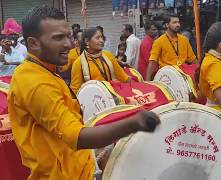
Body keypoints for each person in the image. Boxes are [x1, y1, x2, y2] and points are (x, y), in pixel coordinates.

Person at [8, 6, 160, 179]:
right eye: (58, 38)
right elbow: (79, 137)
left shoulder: (47, 69)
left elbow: (124, 82)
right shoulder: (35, 83)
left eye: (68, 36)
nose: (69, 44)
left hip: (81, 167)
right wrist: (134, 123)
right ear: (33, 43)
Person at [70, 27, 130, 94]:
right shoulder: (78, 63)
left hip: (114, 97)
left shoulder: (108, 56)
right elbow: (75, 91)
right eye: (97, 38)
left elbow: (123, 77)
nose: (102, 40)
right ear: (87, 41)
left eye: (102, 37)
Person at [146, 14, 196, 81]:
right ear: (167, 25)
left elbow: (193, 59)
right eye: (174, 22)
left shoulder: (184, 40)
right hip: (167, 77)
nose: (178, 24)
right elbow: (152, 63)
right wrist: (147, 82)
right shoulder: (159, 42)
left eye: (178, 22)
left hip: (184, 76)